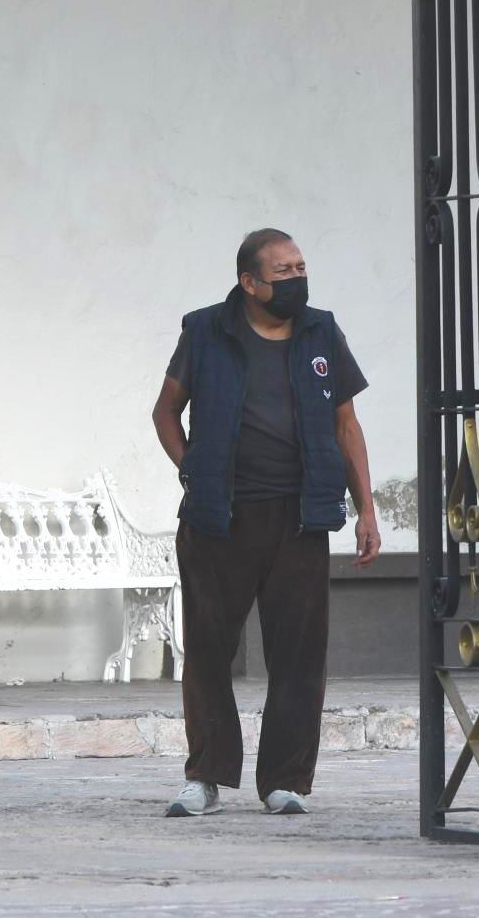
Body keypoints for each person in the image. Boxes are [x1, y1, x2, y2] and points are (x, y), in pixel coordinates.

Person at [151, 227, 380, 817]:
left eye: (300, 268)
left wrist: (366, 509)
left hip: (301, 517)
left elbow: (346, 425)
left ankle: (285, 781)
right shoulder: (205, 330)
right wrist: (192, 470)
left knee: (299, 653)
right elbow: (166, 411)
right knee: (208, 650)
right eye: (283, 272)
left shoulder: (321, 331)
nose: (296, 279)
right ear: (249, 283)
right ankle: (205, 777)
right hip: (218, 517)